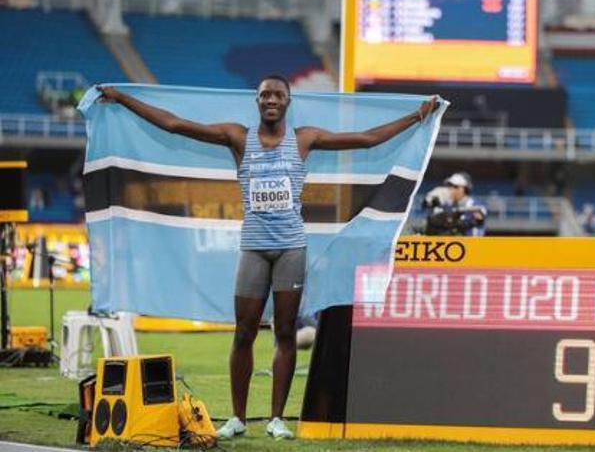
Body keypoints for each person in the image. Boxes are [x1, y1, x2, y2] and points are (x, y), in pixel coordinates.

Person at [97, 76, 439, 440]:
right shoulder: (238, 137)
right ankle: (238, 419)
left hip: (291, 247)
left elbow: (368, 139)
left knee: (286, 332)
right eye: (265, 95)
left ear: (288, 102)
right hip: (254, 248)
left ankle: (276, 419)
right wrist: (121, 98)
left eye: (278, 94)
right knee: (243, 332)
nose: (271, 99)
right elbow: (176, 125)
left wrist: (417, 116)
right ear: (257, 102)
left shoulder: (304, 139)